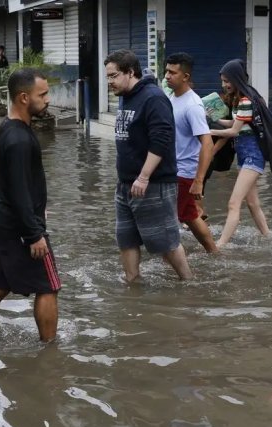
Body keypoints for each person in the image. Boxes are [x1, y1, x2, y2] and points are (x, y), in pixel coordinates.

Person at [0, 68, 60, 342]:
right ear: (23, 97)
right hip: (20, 228)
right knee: (48, 286)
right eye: (42, 94)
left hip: (6, 222)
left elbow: (17, 184)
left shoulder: (9, 128)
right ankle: (50, 350)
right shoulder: (18, 139)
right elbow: (18, 190)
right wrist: (34, 233)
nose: (47, 99)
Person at [104, 49, 193, 282]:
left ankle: (189, 283)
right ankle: (133, 283)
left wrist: (143, 177)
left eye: (113, 76)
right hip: (125, 185)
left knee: (165, 241)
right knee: (126, 238)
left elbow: (162, 140)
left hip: (153, 184)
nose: (109, 82)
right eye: (108, 77)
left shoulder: (153, 98)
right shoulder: (125, 95)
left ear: (130, 72)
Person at [209, 59, 271, 246]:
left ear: (237, 79)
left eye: (228, 81)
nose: (224, 85)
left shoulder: (245, 100)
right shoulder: (244, 99)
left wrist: (209, 131)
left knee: (233, 204)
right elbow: (236, 124)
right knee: (252, 203)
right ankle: (269, 237)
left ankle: (220, 245)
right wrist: (213, 118)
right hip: (245, 157)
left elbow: (233, 132)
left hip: (252, 156)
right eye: (222, 81)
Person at [164, 52, 217, 253]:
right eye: (166, 71)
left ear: (185, 76)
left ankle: (213, 251)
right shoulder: (171, 97)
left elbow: (207, 143)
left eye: (172, 72)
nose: (167, 76)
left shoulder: (192, 105)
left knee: (189, 216)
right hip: (171, 168)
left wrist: (198, 180)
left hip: (185, 171)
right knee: (185, 215)